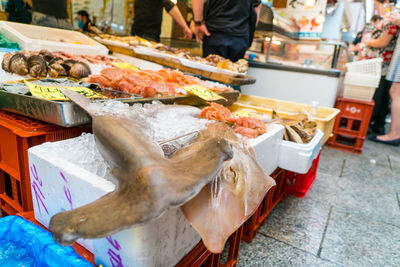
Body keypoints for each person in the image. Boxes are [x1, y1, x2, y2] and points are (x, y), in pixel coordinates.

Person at [362, 13, 399, 135]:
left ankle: (369, 124)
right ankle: (378, 125)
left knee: (378, 95)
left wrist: (367, 41)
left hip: (381, 64)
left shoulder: (393, 18)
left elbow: (383, 42)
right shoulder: (392, 17)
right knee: (385, 95)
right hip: (385, 64)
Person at [192, 0, 261, 62]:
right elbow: (256, 7)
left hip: (216, 32)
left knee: (211, 72)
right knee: (232, 73)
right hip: (240, 37)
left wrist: (198, 23)